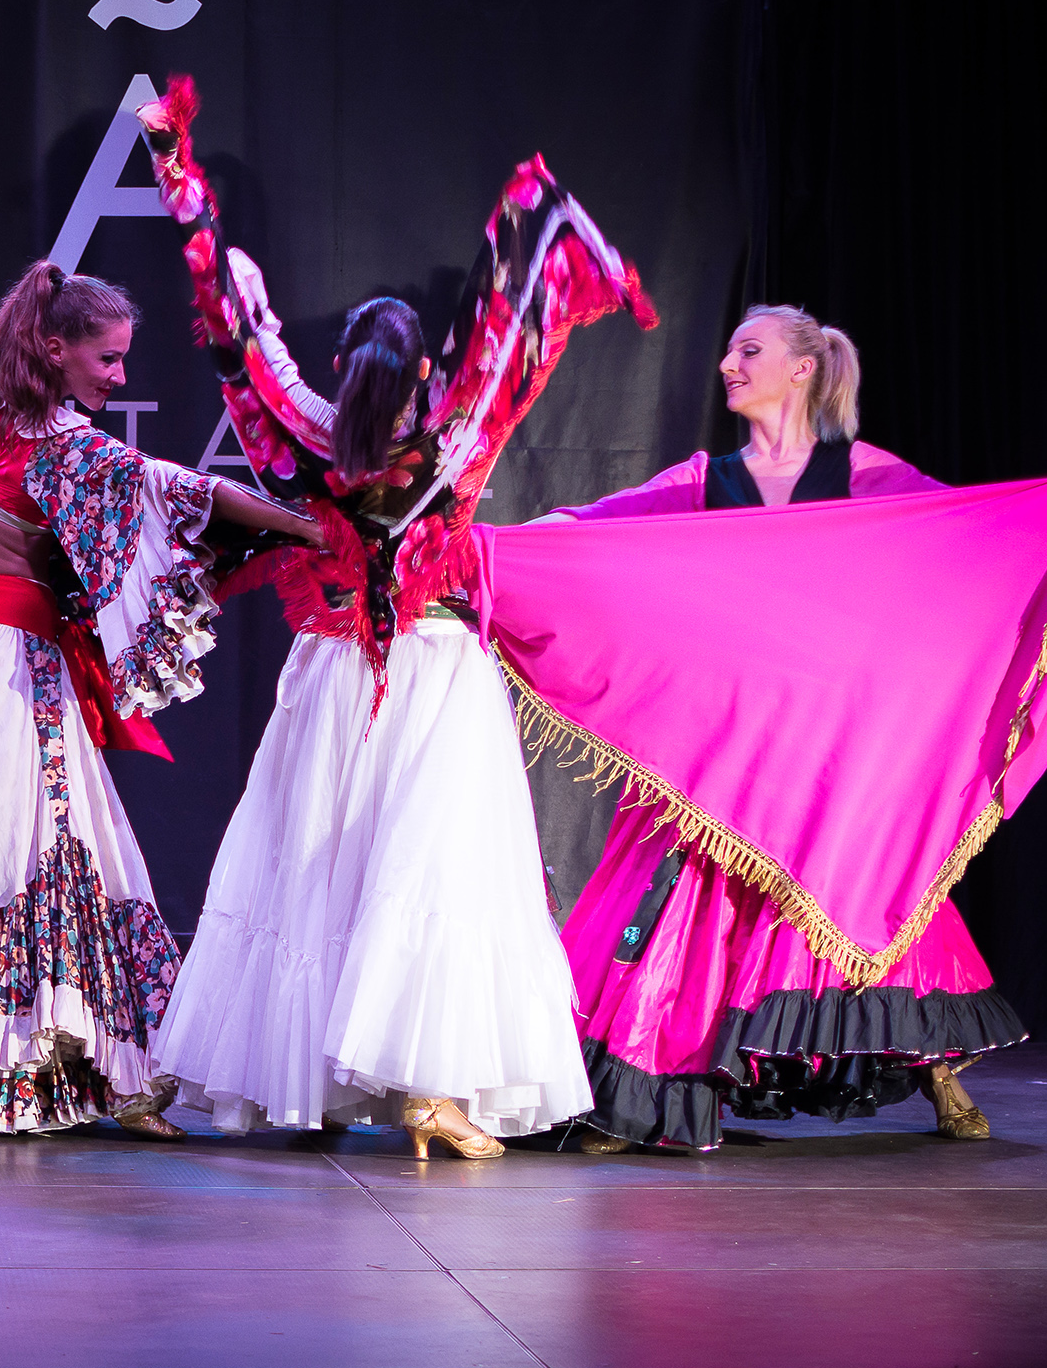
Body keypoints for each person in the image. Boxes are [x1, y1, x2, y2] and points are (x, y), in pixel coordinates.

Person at [137, 82, 657, 1158]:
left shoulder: (294, 429)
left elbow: (230, 332)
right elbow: (509, 318)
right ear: (424, 367)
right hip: (434, 672)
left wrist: (178, 172)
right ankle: (429, 1089)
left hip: (331, 671)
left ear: (338, 369)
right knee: (433, 869)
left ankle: (310, 1085)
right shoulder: (461, 431)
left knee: (314, 866)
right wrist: (532, 225)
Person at [537, 305, 1047, 1150]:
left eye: (747, 350)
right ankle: (643, 1089)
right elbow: (585, 531)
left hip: (826, 741)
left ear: (801, 368)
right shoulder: (701, 478)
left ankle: (933, 1065)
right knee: (683, 905)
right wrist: (503, 545)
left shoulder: (861, 472)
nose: (727, 363)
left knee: (861, 893)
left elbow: (977, 533)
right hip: (723, 736)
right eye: (725, 349)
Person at [0, 264, 322, 1134]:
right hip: (5, 668)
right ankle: (70, 1073)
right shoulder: (64, 445)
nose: (119, 376)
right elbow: (186, 493)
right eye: (108, 359)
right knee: (43, 854)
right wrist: (307, 525)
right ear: (54, 346)